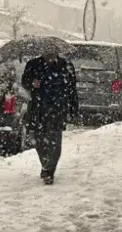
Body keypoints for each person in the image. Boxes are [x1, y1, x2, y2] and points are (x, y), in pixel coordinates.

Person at [21, 49, 79, 185]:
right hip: (38, 109)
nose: (50, 55)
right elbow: (24, 82)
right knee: (39, 141)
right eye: (47, 52)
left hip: (58, 110)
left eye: (53, 52)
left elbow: (72, 89)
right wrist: (32, 83)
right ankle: (45, 164)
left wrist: (73, 108)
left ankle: (49, 170)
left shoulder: (66, 66)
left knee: (55, 142)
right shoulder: (33, 64)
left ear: (57, 52)